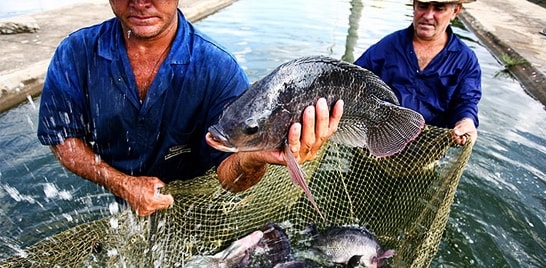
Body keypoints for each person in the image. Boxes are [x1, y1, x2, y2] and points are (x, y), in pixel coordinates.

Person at [37, 0, 343, 216]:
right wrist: (122, 183)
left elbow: (230, 178)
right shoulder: (75, 52)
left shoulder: (218, 68)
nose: (140, 2)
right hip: (110, 188)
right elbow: (62, 138)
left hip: (196, 196)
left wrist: (252, 157)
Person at [354, 0, 481, 145]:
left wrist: (466, 121)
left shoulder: (465, 59)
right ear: (414, 6)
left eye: (439, 9)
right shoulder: (388, 46)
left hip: (426, 152)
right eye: (423, 6)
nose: (428, 15)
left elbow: (466, 102)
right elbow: (354, 80)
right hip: (376, 146)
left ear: (455, 11)